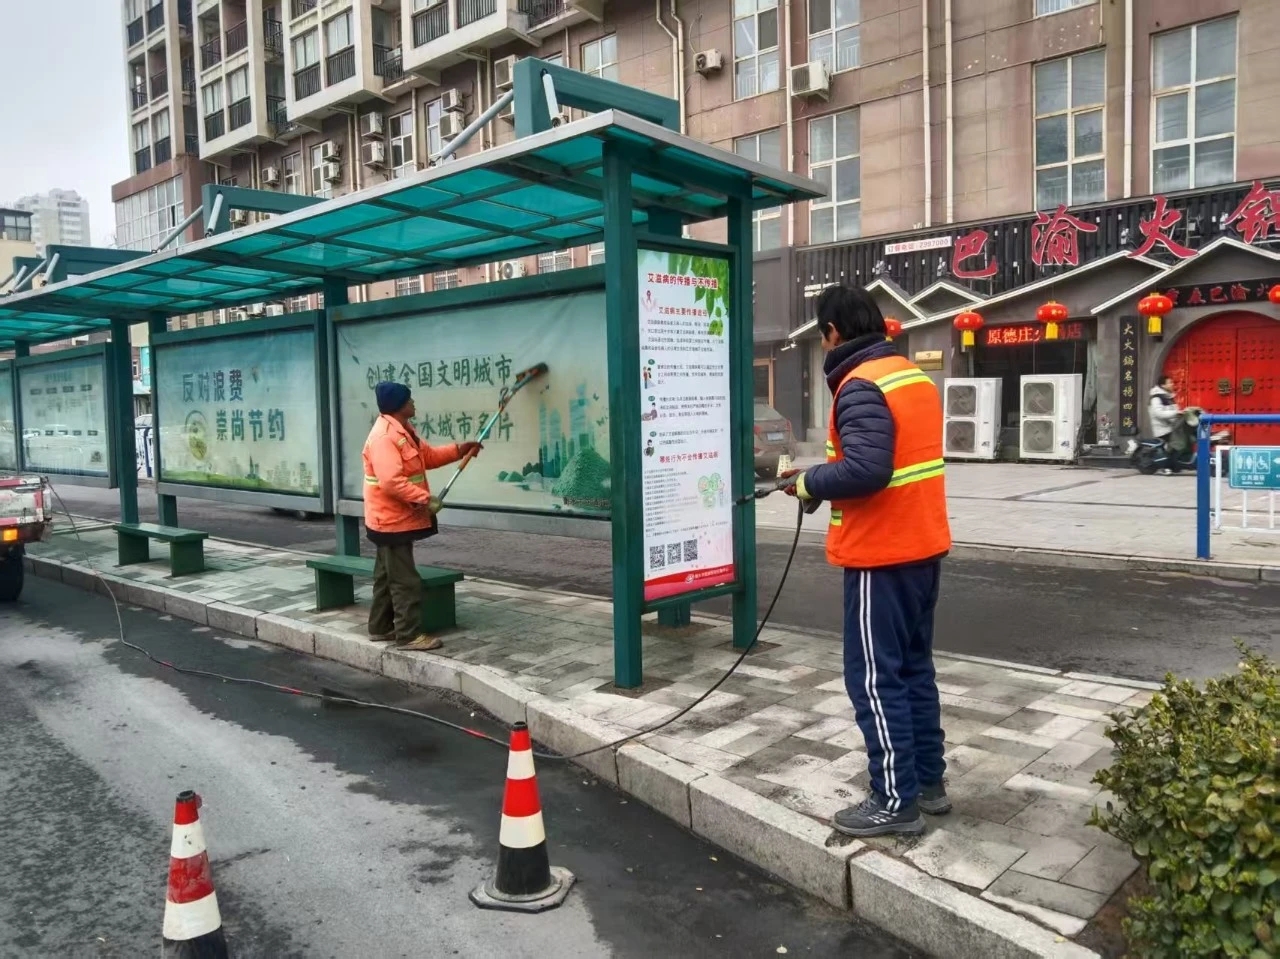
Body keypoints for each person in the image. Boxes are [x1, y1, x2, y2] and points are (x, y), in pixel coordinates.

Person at [782, 284, 952, 838]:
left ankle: (894, 800)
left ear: (832, 332)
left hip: (882, 554)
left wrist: (809, 482)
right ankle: (928, 782)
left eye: (822, 335)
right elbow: (890, 462)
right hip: (922, 546)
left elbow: (867, 469)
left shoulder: (860, 385)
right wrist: (816, 480)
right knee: (914, 670)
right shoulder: (910, 376)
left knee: (875, 679)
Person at [363, 381, 481, 651]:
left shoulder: (402, 430)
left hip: (392, 519)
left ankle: (380, 627)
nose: (413, 403)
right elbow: (391, 482)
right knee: (404, 580)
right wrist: (426, 499)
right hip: (391, 521)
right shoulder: (384, 437)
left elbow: (427, 456)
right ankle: (408, 636)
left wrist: (459, 450)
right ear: (398, 405)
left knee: (386, 575)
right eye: (409, 400)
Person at [1148, 376, 1181, 475]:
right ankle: (1164, 466)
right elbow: (1158, 413)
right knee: (1172, 446)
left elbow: (1174, 410)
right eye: (1169, 383)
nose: (1172, 384)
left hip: (1171, 427)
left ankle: (1174, 465)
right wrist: (1175, 413)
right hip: (1162, 428)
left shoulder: (1168, 397)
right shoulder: (1156, 398)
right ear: (1163, 385)